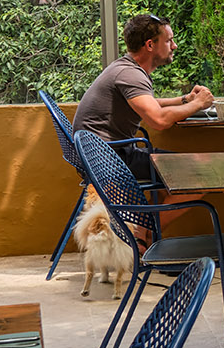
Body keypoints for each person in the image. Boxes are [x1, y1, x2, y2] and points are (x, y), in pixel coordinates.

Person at [73, 13, 215, 234]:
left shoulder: (126, 69)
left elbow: (147, 103)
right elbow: (158, 120)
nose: (174, 46)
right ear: (150, 45)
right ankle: (145, 234)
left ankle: (144, 234)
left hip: (103, 154)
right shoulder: (130, 74)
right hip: (110, 159)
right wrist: (199, 104)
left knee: (174, 168)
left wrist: (185, 100)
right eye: (169, 41)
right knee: (203, 174)